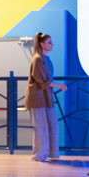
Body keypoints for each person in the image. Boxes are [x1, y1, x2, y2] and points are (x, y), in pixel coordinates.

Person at [24, 32, 67, 162]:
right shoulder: (37, 59)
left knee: (52, 124)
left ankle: (52, 153)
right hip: (37, 99)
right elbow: (42, 82)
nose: (52, 44)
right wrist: (59, 85)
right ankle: (39, 155)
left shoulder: (46, 59)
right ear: (42, 44)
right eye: (49, 42)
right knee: (41, 127)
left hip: (46, 98)